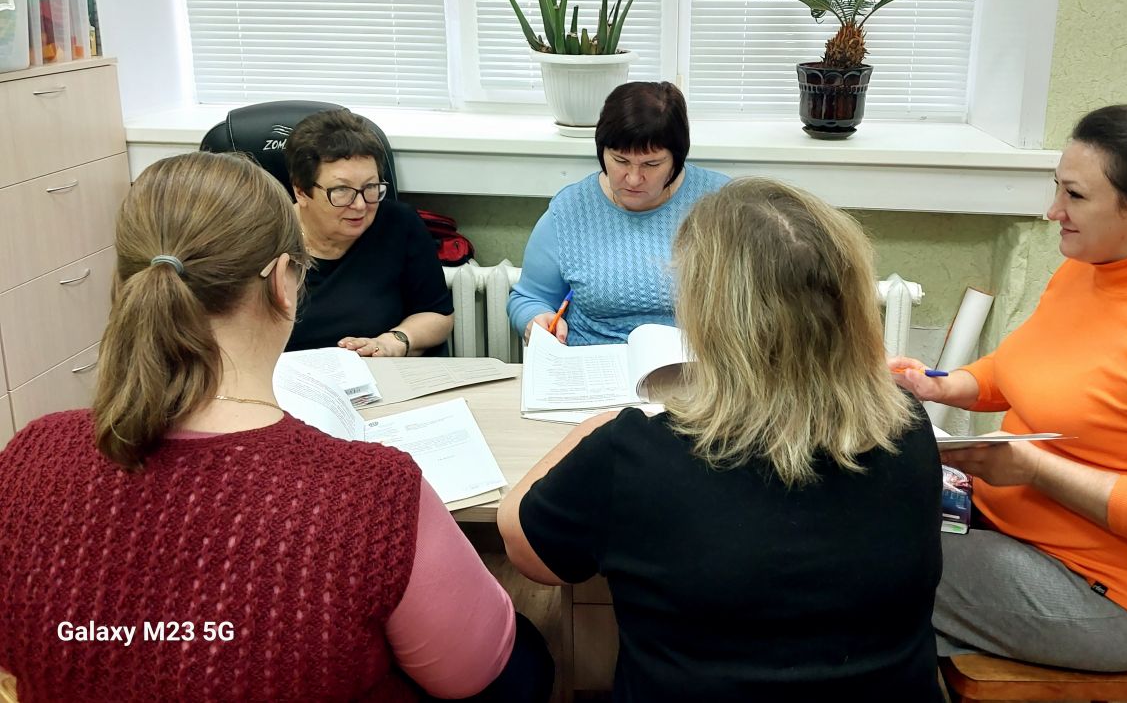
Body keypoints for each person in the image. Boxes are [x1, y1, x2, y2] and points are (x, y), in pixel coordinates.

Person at [0, 152, 553, 703]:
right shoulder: (369, 495)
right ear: (284, 281)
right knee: (526, 662)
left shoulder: (30, 453)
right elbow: (476, 674)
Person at [499, 178, 944, 702]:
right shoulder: (910, 429)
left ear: (708, 316)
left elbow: (525, 547)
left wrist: (600, 428)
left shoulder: (634, 455)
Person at [893, 104, 1127, 671]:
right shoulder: (1087, 267)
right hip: (1006, 527)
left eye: (1076, 197)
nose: (1052, 211)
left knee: (858, 563)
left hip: (1106, 594)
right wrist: (940, 385)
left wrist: (1037, 471)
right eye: (1056, 188)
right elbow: (1018, 370)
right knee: (846, 516)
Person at [507, 80, 728, 346]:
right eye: (620, 160)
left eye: (651, 164)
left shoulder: (722, 203)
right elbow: (529, 298)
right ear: (602, 152)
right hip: (593, 365)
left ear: (677, 158)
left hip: (694, 368)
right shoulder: (570, 210)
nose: (633, 179)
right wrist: (535, 318)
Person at [284, 108, 453, 356]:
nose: (361, 205)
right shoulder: (267, 237)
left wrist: (392, 342)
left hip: (381, 375)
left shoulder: (399, 224)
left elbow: (437, 314)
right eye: (342, 190)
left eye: (370, 187)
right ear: (301, 192)